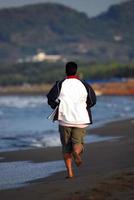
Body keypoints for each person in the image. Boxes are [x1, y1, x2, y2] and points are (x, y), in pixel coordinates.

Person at [47, 61, 96, 178]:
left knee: (66, 147)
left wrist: (56, 106)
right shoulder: (84, 84)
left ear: (66, 71)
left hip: (64, 119)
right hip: (81, 119)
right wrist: (84, 107)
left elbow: (50, 98)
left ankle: (70, 173)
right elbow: (93, 100)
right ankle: (76, 152)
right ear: (76, 71)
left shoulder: (60, 84)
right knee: (78, 143)